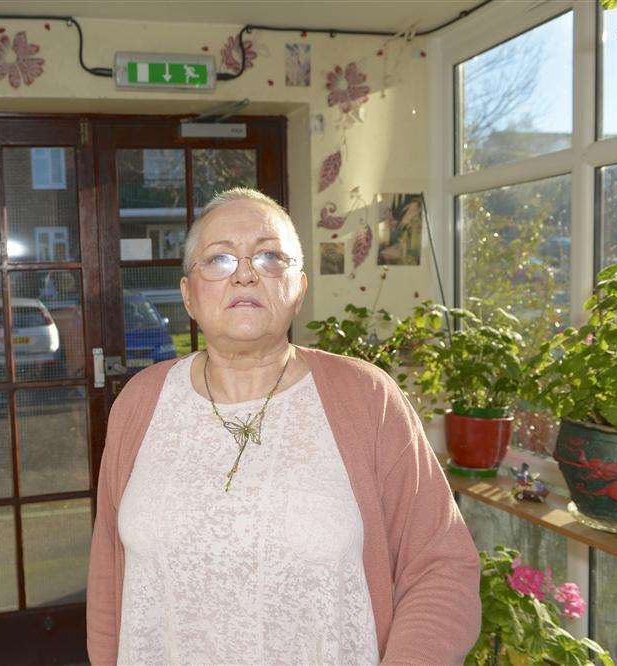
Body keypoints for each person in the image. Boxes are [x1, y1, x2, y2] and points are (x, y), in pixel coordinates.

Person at [86, 188, 480, 665]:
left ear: (299, 286)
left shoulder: (367, 399)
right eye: (219, 259)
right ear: (189, 295)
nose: (247, 274)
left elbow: (440, 567)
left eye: (270, 256)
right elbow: (109, 570)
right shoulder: (140, 403)